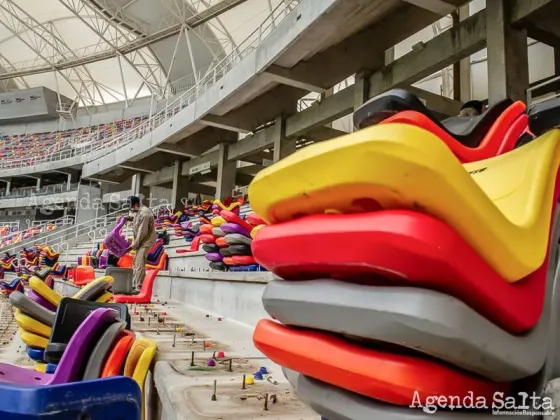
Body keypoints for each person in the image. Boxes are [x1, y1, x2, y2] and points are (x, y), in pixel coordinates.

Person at [125, 196, 156, 291]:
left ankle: (139, 288)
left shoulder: (145, 213)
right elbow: (135, 219)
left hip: (146, 241)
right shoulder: (140, 211)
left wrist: (133, 246)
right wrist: (124, 219)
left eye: (131, 206)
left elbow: (142, 232)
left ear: (136, 204)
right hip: (142, 241)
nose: (131, 209)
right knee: (136, 262)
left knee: (139, 263)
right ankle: (135, 285)